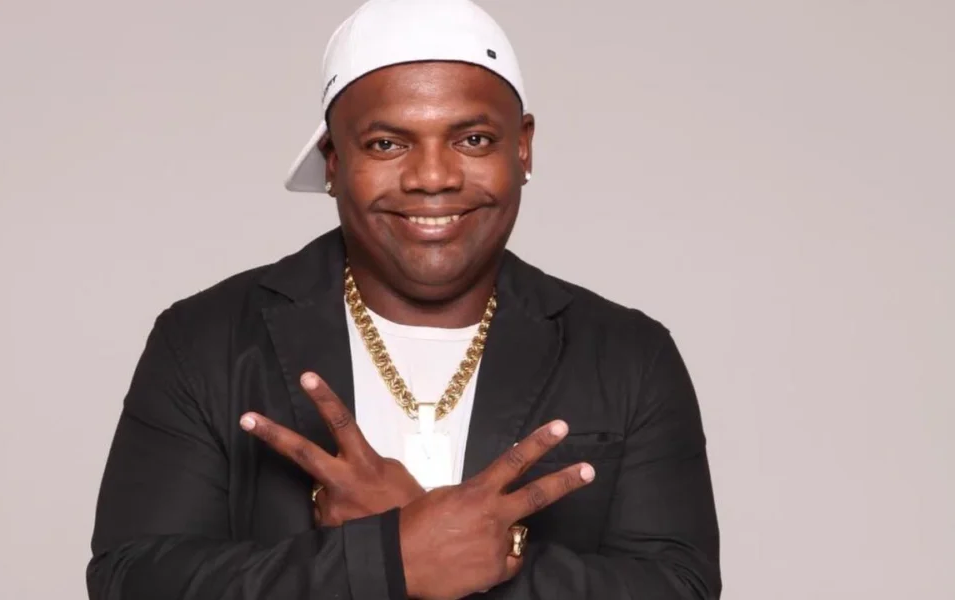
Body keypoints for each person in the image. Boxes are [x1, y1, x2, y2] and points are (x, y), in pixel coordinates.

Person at [86, 0, 721, 598]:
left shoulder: (629, 356)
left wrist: (460, 551)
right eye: (386, 144)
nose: (432, 177)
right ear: (333, 161)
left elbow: (681, 588)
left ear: (523, 146)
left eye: (473, 139)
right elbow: (131, 578)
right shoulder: (207, 340)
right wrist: (385, 557)